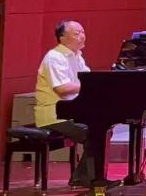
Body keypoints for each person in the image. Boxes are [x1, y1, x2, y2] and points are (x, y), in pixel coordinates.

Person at [35, 20, 95, 188]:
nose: (82, 36)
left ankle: (84, 177)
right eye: (77, 33)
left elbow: (89, 80)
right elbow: (62, 89)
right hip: (53, 116)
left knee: (102, 129)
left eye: (83, 32)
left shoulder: (77, 57)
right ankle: (84, 178)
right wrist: (91, 86)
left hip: (71, 113)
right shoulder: (54, 57)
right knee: (93, 132)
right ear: (62, 38)